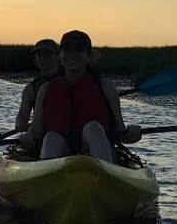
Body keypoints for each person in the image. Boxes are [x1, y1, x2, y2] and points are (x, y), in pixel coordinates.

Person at [23, 30, 141, 162]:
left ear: (89, 56)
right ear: (60, 55)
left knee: (93, 128)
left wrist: (132, 134)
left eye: (78, 50)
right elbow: (36, 131)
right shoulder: (45, 89)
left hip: (95, 151)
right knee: (51, 137)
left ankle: (104, 173)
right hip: (61, 152)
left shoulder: (106, 87)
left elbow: (120, 130)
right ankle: (48, 175)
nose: (72, 55)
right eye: (67, 50)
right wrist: (27, 139)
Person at [15, 38, 62, 134]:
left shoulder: (68, 81)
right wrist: (21, 124)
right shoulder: (31, 88)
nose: (44, 58)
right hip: (41, 133)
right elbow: (22, 119)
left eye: (48, 54)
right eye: (40, 54)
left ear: (58, 57)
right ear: (35, 58)